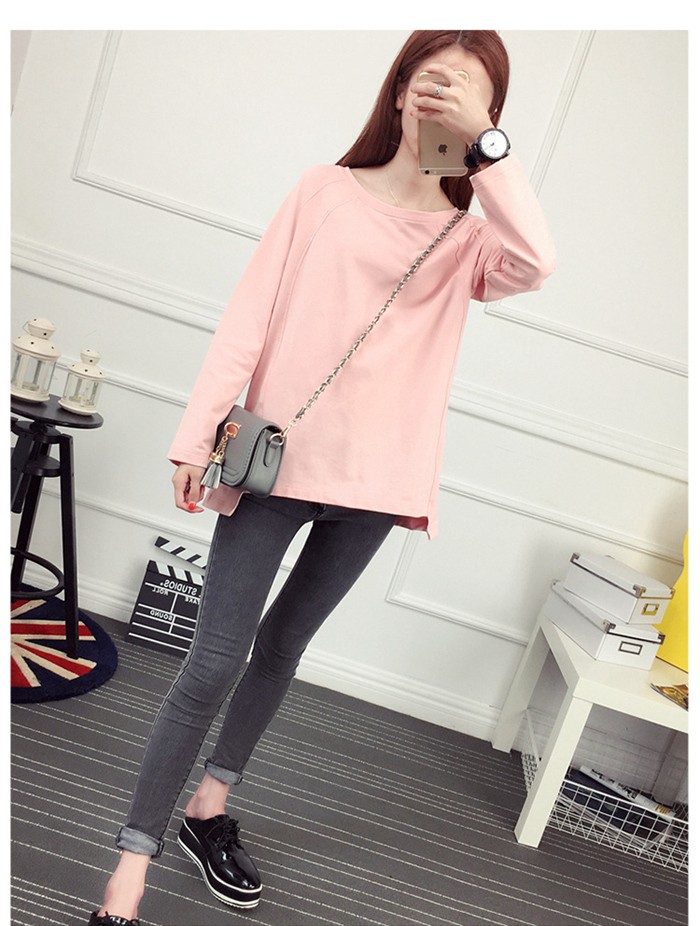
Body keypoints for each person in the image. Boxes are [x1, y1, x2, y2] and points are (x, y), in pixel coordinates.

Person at [88, 28, 555, 926]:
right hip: (276, 465)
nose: (443, 97)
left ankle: (209, 809)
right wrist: (196, 435)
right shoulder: (323, 192)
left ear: (488, 113)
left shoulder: (471, 238)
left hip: (378, 485)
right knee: (211, 664)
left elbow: (538, 263)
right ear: (399, 90)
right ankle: (129, 871)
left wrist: (487, 148)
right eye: (432, 79)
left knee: (283, 650)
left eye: (468, 89)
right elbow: (249, 318)